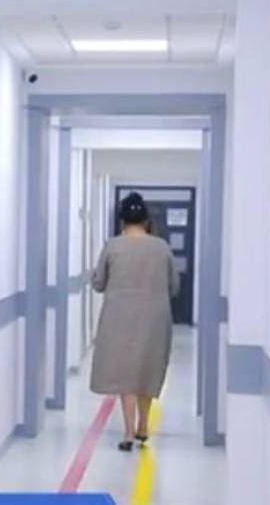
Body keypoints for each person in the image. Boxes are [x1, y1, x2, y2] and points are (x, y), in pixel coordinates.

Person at [90, 192, 180, 452]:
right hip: (155, 318)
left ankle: (128, 432)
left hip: (119, 317)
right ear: (146, 220)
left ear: (122, 221)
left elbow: (99, 283)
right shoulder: (162, 247)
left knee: (125, 373)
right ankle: (143, 426)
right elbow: (174, 286)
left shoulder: (112, 246)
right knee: (147, 369)